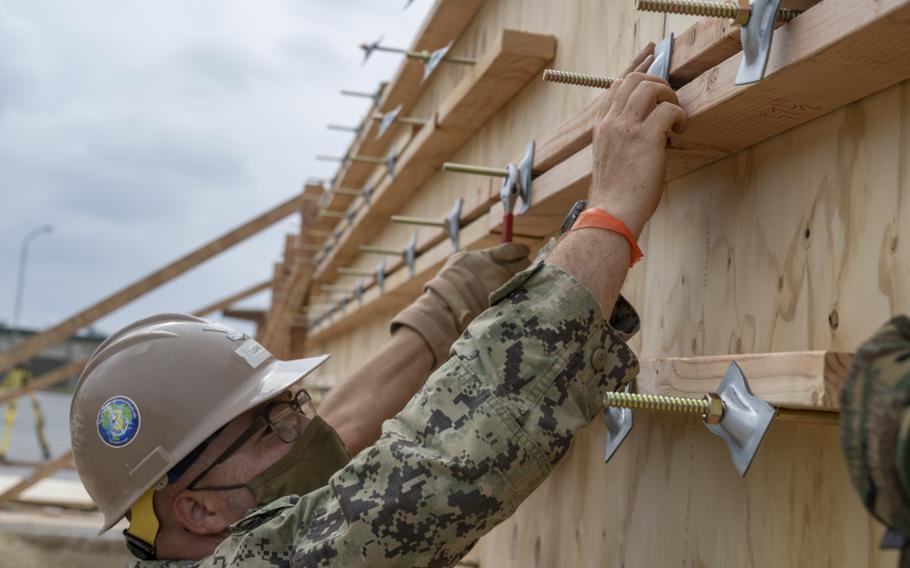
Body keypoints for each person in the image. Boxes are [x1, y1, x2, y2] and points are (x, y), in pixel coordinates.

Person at [69, 44, 687, 566]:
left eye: (293, 405)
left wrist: (437, 318)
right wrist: (609, 214)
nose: (305, 426)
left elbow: (335, 444)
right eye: (276, 423)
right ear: (197, 508)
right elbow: (438, 471)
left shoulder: (227, 515)